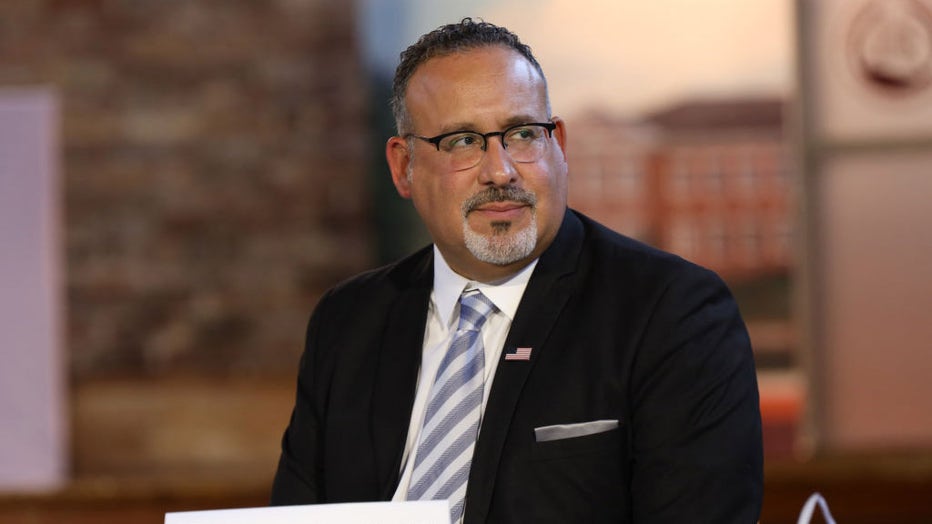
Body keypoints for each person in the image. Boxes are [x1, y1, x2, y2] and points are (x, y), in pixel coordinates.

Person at [270, 18, 763, 523]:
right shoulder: (348, 321)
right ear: (403, 167)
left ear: (559, 147)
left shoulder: (673, 313)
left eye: (523, 134)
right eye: (463, 141)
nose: (500, 170)